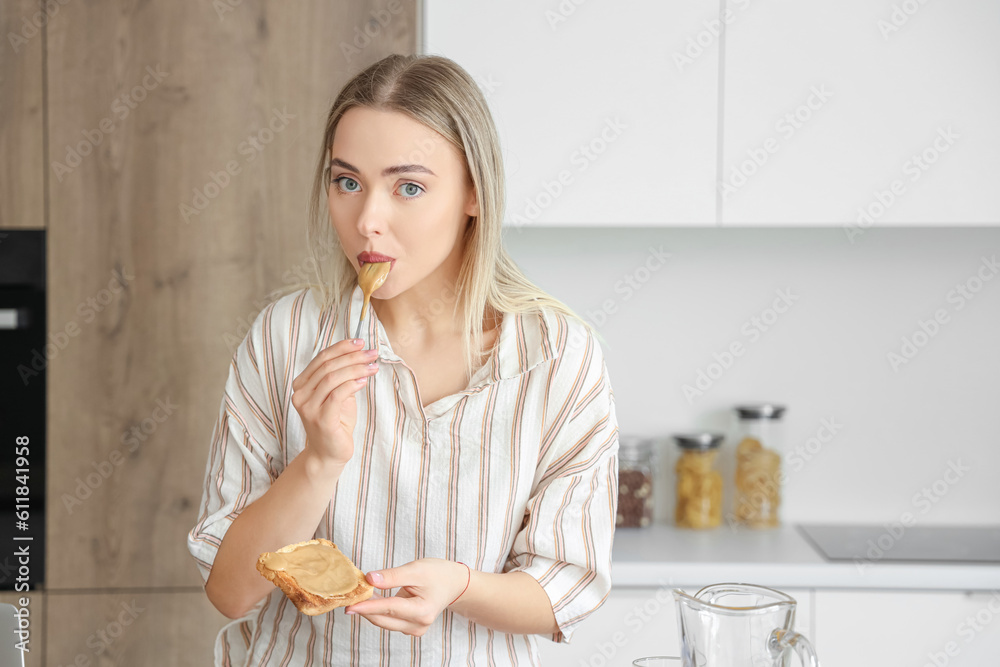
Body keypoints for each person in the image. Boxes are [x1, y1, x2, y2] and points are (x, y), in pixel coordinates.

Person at [187, 53, 619, 665]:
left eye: (408, 187)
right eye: (347, 181)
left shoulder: (557, 355)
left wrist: (458, 588)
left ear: (474, 192)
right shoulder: (286, 337)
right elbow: (231, 594)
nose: (367, 220)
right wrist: (316, 463)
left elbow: (564, 588)